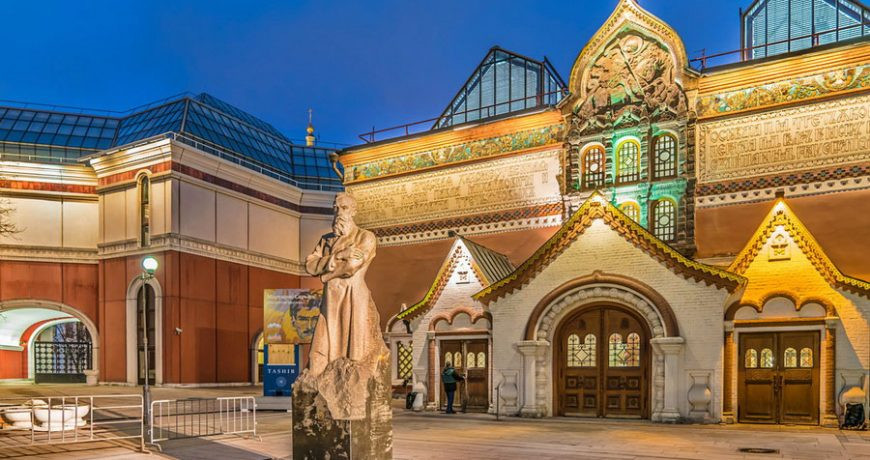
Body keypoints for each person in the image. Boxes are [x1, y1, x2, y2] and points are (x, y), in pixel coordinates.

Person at [304, 193, 380, 377]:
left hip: (353, 295)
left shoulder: (365, 237)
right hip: (330, 299)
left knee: (353, 348)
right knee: (323, 343)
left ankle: (348, 381)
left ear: (353, 211)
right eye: (336, 208)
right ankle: (321, 378)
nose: (339, 213)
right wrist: (339, 255)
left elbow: (352, 267)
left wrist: (325, 275)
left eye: (344, 208)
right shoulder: (326, 239)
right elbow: (310, 265)